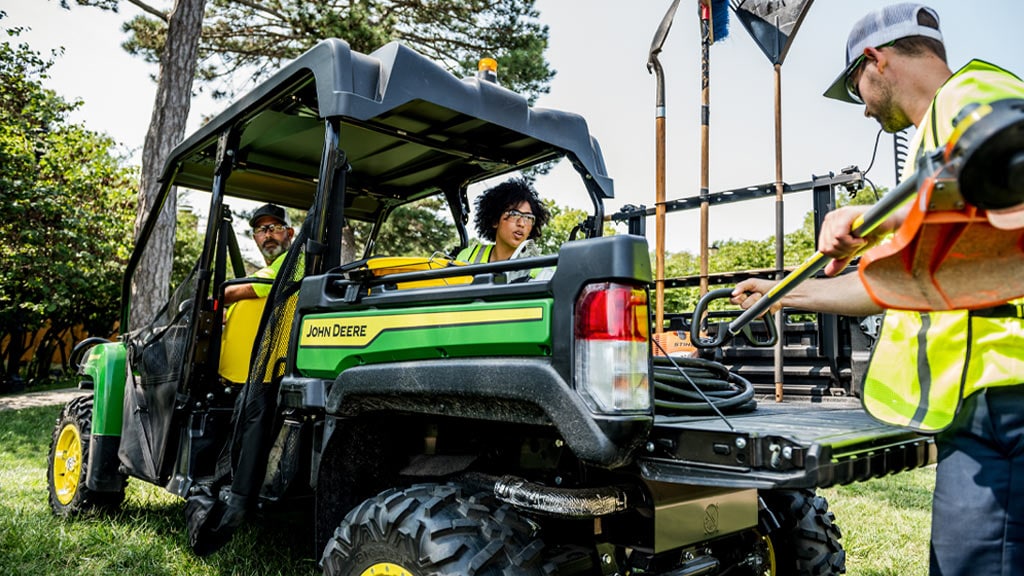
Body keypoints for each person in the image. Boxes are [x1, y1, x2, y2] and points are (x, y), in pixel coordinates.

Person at [731, 4, 1024, 575]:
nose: (863, 107)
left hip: (1006, 397)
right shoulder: (934, 143)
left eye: (855, 88)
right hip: (979, 406)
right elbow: (897, 286)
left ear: (876, 61)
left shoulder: (974, 97)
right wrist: (781, 293)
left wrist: (879, 215)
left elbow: (1005, 174)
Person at [456, 178, 550, 263]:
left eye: (528, 217)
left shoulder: (541, 266)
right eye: (514, 214)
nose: (521, 224)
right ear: (495, 220)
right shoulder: (468, 256)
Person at [223, 203, 294, 306]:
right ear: (255, 238)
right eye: (260, 230)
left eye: (275, 228)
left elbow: (230, 293)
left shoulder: (293, 261)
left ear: (290, 233)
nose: (268, 235)